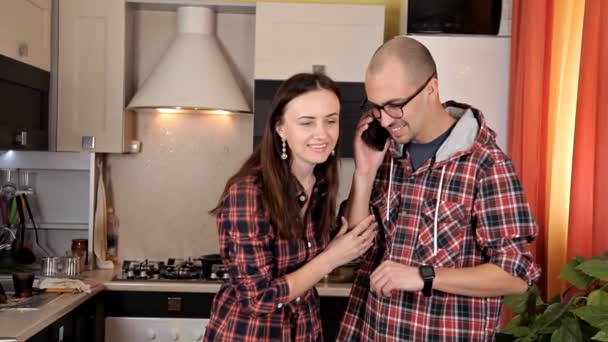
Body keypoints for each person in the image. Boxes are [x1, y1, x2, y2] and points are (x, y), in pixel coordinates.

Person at [337, 36, 541, 341]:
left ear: (431, 88)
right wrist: (364, 173)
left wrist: (423, 275)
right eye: (376, 107)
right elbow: (353, 252)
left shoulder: (486, 164)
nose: (384, 119)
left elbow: (515, 276)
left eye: (394, 105)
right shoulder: (386, 156)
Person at [203, 73, 377, 342]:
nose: (322, 133)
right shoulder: (249, 192)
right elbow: (258, 299)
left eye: (331, 121)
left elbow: (354, 243)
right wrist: (331, 257)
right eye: (307, 123)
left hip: (305, 331)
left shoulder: (319, 185)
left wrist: (364, 171)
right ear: (281, 128)